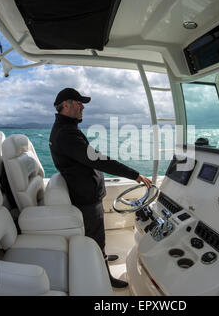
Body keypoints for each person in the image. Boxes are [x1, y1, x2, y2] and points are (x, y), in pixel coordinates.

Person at [49, 88, 152, 289]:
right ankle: (105, 277)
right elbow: (98, 160)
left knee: (98, 236)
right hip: (85, 198)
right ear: (66, 104)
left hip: (86, 193)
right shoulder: (66, 134)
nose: (83, 106)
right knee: (96, 238)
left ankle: (101, 256)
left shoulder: (64, 129)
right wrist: (135, 175)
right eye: (79, 102)